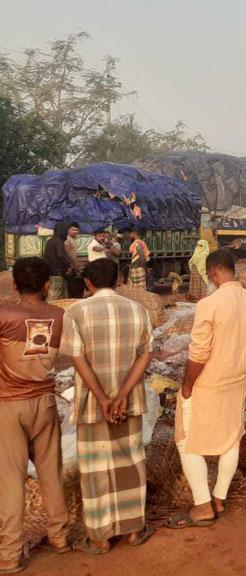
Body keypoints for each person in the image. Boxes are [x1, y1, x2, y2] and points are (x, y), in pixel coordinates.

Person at [61, 258, 153, 554]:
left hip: (93, 404)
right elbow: (145, 356)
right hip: (128, 403)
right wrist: (122, 394)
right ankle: (133, 531)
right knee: (130, 463)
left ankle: (100, 537)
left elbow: (78, 359)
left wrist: (102, 398)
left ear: (87, 283)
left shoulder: (75, 312)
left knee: (96, 468)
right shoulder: (138, 310)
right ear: (118, 281)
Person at [167, 250, 246, 529]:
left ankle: (202, 505)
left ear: (213, 273)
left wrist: (187, 385)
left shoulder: (209, 304)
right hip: (236, 381)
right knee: (230, 439)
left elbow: (198, 353)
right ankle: (219, 497)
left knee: (188, 441)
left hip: (208, 383)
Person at [0, 258, 71, 573]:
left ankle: (11, 555)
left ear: (15, 284)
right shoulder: (59, 316)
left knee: (10, 483)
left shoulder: (4, 315)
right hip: (45, 403)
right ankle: (60, 538)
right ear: (47, 286)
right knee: (51, 475)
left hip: (8, 406)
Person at [43, 223, 73, 302]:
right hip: (57, 272)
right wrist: (69, 265)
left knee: (60, 294)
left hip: (51, 271)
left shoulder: (50, 241)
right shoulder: (59, 241)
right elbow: (60, 256)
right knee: (55, 295)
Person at [64, 223, 86, 299]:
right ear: (68, 230)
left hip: (74, 267)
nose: (75, 231)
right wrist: (74, 265)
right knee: (72, 290)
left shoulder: (73, 239)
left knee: (77, 289)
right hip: (71, 268)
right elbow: (68, 254)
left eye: (77, 230)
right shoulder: (67, 239)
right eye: (73, 229)